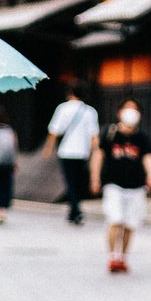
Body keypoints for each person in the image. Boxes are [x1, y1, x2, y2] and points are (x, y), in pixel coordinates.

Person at [91, 100, 151, 273]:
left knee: (130, 224)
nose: (131, 112)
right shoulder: (109, 133)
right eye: (127, 109)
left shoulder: (142, 137)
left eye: (135, 109)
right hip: (113, 184)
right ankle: (113, 257)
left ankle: (123, 257)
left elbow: (148, 157)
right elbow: (99, 155)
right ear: (119, 113)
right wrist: (95, 178)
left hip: (136, 185)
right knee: (115, 219)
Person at [43, 83, 101, 225]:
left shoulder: (63, 108)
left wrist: (48, 148)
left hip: (67, 151)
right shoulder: (90, 111)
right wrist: (96, 150)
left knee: (70, 181)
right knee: (77, 182)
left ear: (70, 93)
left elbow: (54, 131)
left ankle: (75, 210)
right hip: (82, 152)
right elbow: (94, 135)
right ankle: (74, 211)